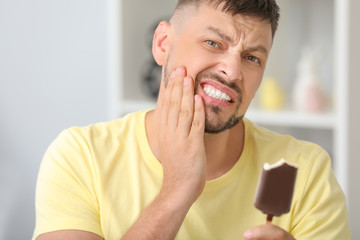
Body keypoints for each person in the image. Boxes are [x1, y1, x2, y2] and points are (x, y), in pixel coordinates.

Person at [32, 0, 351, 239]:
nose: (233, 71)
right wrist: (177, 188)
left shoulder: (305, 172)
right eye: (214, 43)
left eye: (252, 57)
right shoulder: (78, 158)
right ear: (162, 44)